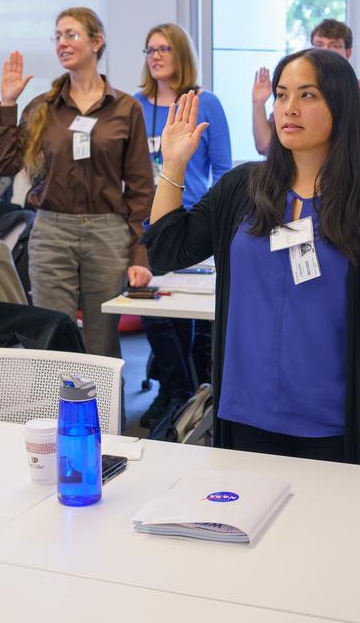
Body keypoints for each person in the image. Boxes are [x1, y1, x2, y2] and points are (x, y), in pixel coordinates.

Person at [143, 49, 360, 465]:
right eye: (282, 95)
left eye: (308, 95)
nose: (289, 108)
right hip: (246, 408)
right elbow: (166, 250)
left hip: (335, 416)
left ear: (340, 105)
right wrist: (175, 165)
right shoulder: (243, 187)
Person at [0, 7, 154, 359]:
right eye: (58, 36)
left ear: (97, 42)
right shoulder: (43, 107)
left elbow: (141, 188)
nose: (62, 43)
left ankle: (105, 400)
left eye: (72, 34)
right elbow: (6, 164)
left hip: (107, 232)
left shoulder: (126, 108)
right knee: (53, 340)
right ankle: (57, 400)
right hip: (52, 231)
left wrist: (140, 254)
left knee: (102, 343)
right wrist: (8, 103)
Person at [133, 23, 232, 430]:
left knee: (187, 316)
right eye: (149, 49)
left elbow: (223, 169)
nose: (155, 56)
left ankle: (187, 396)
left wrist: (222, 223)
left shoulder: (206, 104)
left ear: (181, 54)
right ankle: (175, 393)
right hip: (148, 220)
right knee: (154, 315)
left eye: (164, 49)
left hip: (192, 222)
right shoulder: (135, 105)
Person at [252, 19, 360, 173]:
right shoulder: (292, 95)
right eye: (319, 45)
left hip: (352, 179)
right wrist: (258, 104)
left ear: (348, 52)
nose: (326, 51)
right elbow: (266, 147)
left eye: (334, 45)